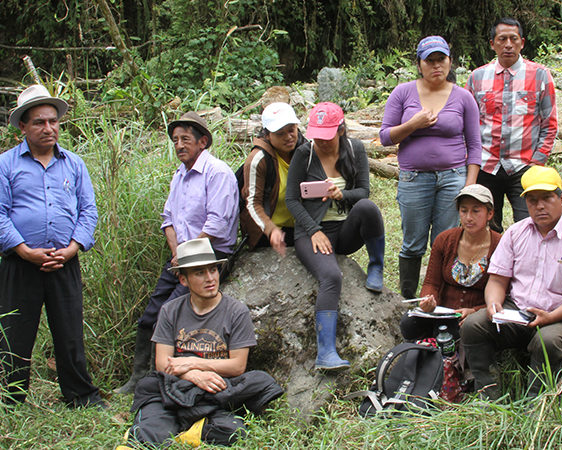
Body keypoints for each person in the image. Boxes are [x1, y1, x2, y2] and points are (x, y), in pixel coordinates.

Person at [116, 112, 239, 394]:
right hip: (180, 259)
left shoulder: (217, 172)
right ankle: (138, 377)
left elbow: (217, 223)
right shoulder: (180, 175)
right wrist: (177, 252)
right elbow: (168, 218)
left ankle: (160, 378)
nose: (179, 145)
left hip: (209, 256)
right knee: (149, 315)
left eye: (185, 139)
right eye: (175, 140)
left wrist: (188, 254)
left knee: (168, 314)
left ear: (203, 142)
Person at [461, 166, 562, 400]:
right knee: (473, 325)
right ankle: (488, 393)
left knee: (546, 341)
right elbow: (497, 280)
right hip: (517, 311)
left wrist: (551, 317)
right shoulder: (516, 232)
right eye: (532, 200)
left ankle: (535, 403)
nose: (539, 206)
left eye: (547, 198)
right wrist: (494, 304)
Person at [0, 85, 104, 408]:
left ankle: (80, 396)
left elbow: (89, 211)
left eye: (53, 121)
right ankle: (11, 397)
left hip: (65, 261)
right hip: (20, 263)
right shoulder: (6, 165)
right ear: (23, 127)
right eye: (39, 123)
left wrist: (73, 248)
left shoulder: (74, 164)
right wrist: (23, 249)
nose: (49, 128)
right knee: (15, 330)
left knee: (70, 331)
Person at [126, 238, 283, 447]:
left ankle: (189, 427)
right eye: (199, 273)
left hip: (216, 388)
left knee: (256, 387)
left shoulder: (236, 311)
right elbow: (162, 364)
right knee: (151, 393)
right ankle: (172, 427)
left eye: (213, 270)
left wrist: (192, 363)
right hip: (176, 384)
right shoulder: (170, 310)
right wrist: (193, 376)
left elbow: (237, 366)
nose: (210, 278)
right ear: (183, 280)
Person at [380, 35, 482, 299]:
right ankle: (407, 299)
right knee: (413, 242)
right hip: (414, 178)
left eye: (441, 59)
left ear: (450, 62)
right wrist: (414, 124)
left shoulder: (463, 97)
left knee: (446, 242)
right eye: (430, 61)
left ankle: (439, 299)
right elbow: (385, 137)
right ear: (419, 64)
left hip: (454, 178)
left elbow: (475, 145)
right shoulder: (403, 92)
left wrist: (469, 185)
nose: (436, 66)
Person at [285, 102, 385, 370]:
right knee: (331, 276)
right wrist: (313, 230)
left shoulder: (355, 149)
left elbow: (363, 192)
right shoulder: (303, 154)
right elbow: (291, 200)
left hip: (344, 230)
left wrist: (342, 195)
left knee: (368, 208)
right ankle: (325, 352)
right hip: (311, 232)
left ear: (341, 129)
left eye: (327, 137)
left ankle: (376, 265)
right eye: (317, 136)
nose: (321, 142)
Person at [466, 17, 558, 232]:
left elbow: (550, 123)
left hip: (524, 166)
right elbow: (468, 126)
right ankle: (493, 266)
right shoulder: (477, 77)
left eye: (513, 39)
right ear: (492, 43)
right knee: (486, 229)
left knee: (530, 226)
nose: (508, 44)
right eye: (502, 39)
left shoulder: (539, 75)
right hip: (486, 166)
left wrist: (537, 162)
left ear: (522, 42)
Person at [400, 184, 501, 341]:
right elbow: (431, 282)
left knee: (459, 332)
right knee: (409, 323)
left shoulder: (500, 245)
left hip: (475, 318)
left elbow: (504, 294)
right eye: (464, 210)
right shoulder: (445, 240)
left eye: (476, 211)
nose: (469, 217)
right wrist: (429, 300)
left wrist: (475, 311)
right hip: (442, 312)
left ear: (490, 214)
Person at [240, 102, 308, 254]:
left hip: (300, 227)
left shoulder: (305, 151)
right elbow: (252, 203)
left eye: (291, 130)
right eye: (280, 133)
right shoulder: (258, 159)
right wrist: (271, 230)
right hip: (268, 231)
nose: (288, 137)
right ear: (268, 134)